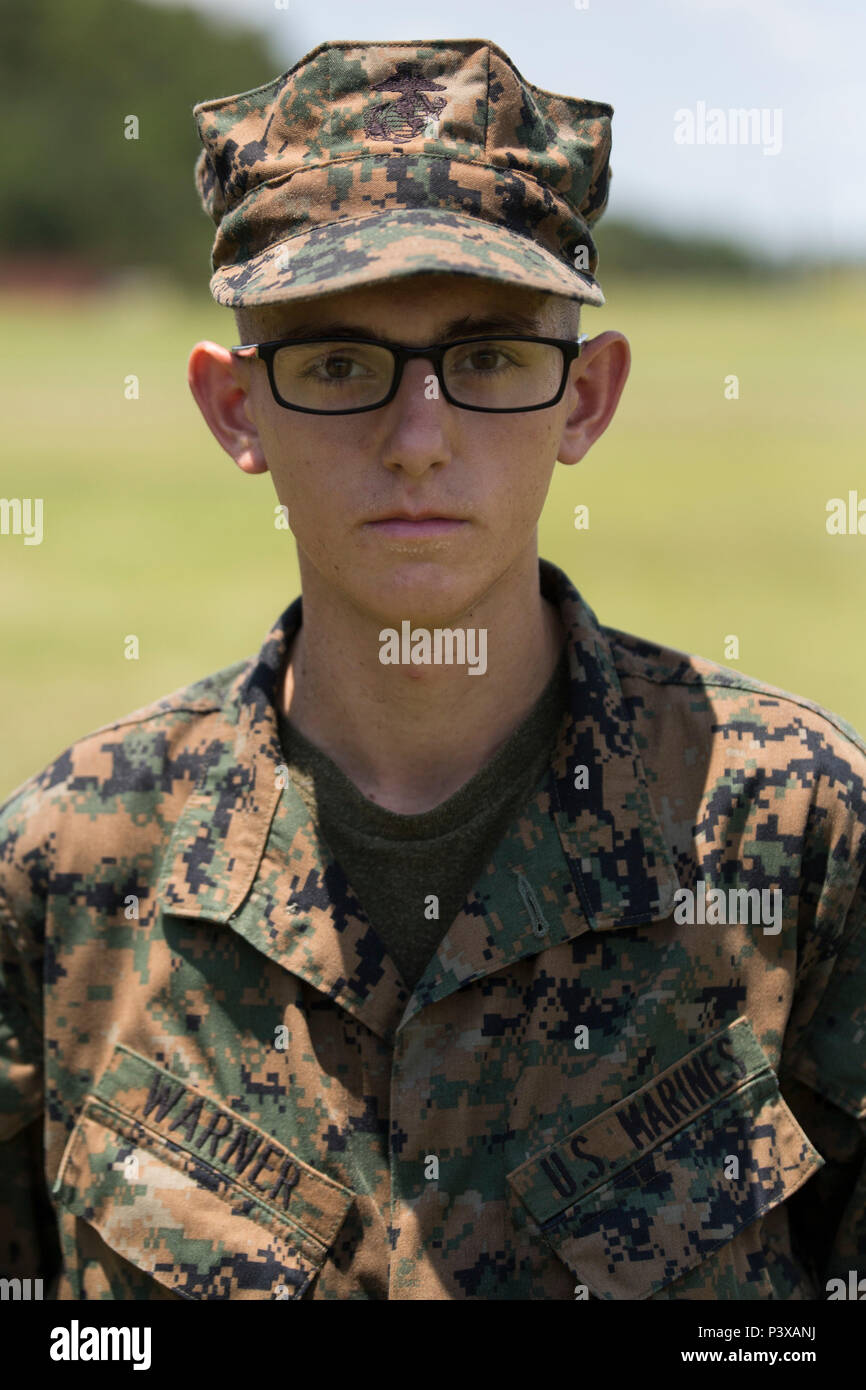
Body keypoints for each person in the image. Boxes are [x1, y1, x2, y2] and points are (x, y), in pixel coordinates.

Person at [1, 36, 864, 1302]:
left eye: (489, 360)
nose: (417, 441)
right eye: (338, 363)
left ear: (584, 397)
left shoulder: (794, 833)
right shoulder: (71, 871)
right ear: (235, 407)